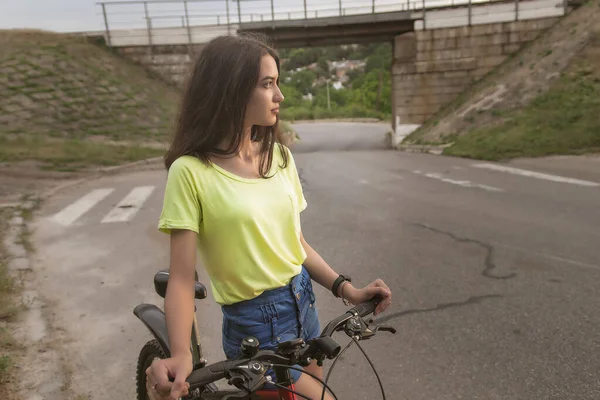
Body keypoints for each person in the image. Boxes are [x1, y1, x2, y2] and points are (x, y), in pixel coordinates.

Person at [145, 33, 392, 400]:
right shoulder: (191, 172)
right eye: (267, 84)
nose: (280, 96)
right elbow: (182, 278)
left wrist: (348, 290)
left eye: (277, 83)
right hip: (255, 323)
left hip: (301, 301)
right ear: (231, 90)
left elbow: (295, 244)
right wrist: (181, 353)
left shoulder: (279, 157)